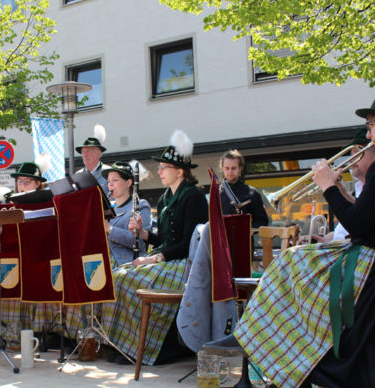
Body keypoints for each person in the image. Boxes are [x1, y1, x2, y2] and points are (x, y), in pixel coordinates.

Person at [207, 68, 375, 388]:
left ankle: (260, 348)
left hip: (374, 268)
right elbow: (374, 218)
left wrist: (328, 186)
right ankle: (262, 350)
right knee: (293, 267)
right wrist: (341, 190)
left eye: (372, 125)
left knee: (290, 269)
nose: (370, 134)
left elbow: (357, 224)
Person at [102, 131, 208, 365]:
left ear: (179, 171)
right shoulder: (165, 199)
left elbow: (189, 244)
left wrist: (154, 259)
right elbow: (164, 239)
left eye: (164, 167)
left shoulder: (193, 197)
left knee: (125, 280)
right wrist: (142, 233)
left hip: (186, 265)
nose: (159, 171)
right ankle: (123, 344)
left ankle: (145, 347)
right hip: (169, 258)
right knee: (119, 276)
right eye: (159, 167)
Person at [310, 129, 375, 243]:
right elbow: (345, 231)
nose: (351, 160)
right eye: (351, 154)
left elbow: (358, 226)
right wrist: (325, 239)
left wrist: (328, 186)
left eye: (358, 154)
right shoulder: (359, 189)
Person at [102, 161, 152, 266]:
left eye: (115, 180)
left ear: (128, 183)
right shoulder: (107, 207)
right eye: (108, 181)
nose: (110, 184)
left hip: (127, 264)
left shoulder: (141, 205)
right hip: (104, 262)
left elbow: (139, 241)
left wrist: (109, 228)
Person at [219, 150, 269, 227]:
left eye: (233, 168)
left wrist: (249, 229)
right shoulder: (217, 194)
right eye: (227, 168)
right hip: (223, 239)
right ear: (222, 168)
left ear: (240, 168)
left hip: (245, 238)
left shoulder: (252, 193)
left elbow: (262, 221)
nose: (230, 172)